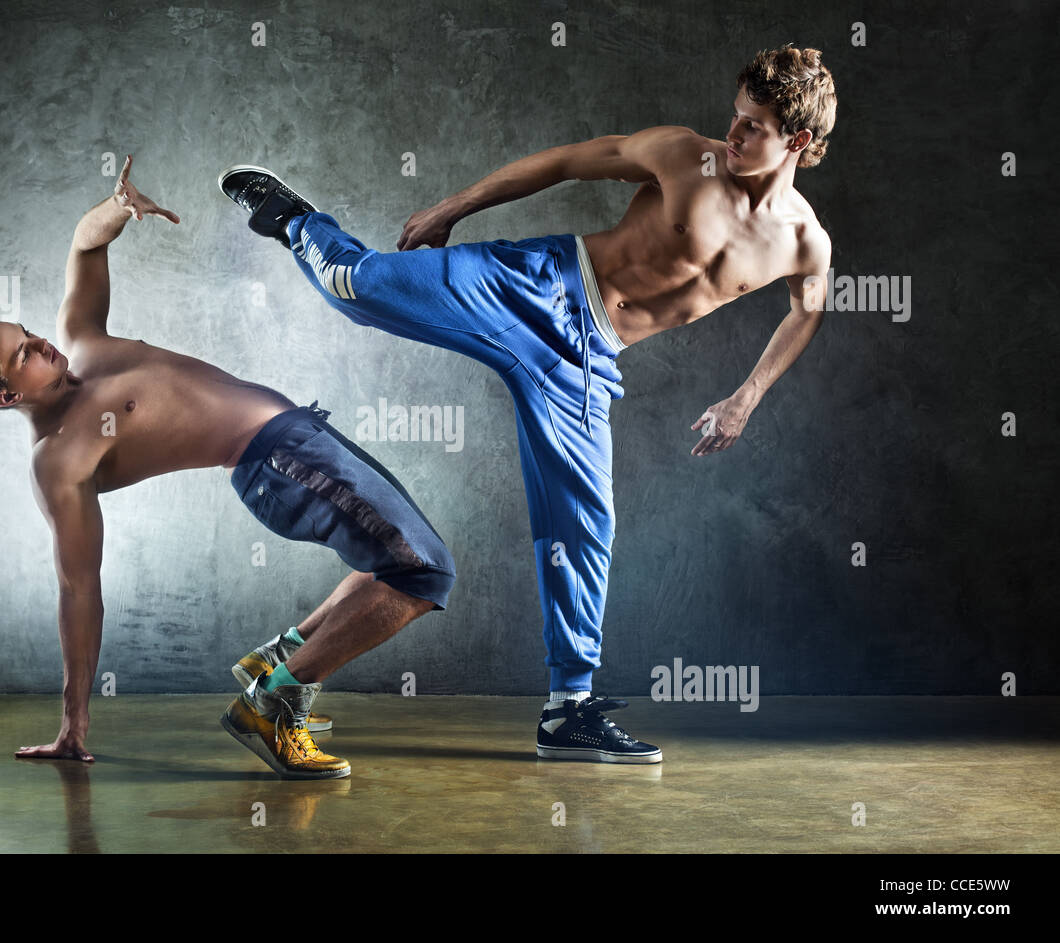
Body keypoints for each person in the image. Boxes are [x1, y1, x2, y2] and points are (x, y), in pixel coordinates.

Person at [220, 44, 836, 764]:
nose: (731, 134)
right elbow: (567, 161)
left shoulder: (804, 241)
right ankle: (295, 219)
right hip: (541, 285)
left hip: (588, 363)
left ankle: (568, 710)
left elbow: (807, 311)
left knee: (584, 525)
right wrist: (455, 205)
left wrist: (747, 395)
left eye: (752, 127)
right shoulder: (684, 155)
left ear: (797, 141)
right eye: (734, 116)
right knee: (361, 287)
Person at [0, 156, 456, 780]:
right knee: (423, 572)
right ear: (6, 397)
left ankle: (278, 661)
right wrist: (73, 722)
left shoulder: (78, 340)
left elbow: (84, 243)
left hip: (298, 439)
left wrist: (117, 208)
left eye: (30, 333)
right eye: (24, 356)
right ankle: (275, 702)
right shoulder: (59, 459)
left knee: (394, 563)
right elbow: (78, 590)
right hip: (279, 463)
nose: (43, 345)